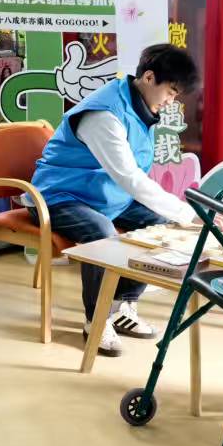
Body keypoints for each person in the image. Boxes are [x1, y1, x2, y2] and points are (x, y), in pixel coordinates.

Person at [34, 44, 200, 357]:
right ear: (148, 77)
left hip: (105, 195)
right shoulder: (104, 114)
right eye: (171, 92)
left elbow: (131, 177)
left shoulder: (139, 106)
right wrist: (189, 214)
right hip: (61, 194)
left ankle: (123, 305)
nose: (171, 101)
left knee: (159, 224)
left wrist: (180, 214)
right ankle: (96, 320)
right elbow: (130, 177)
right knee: (102, 233)